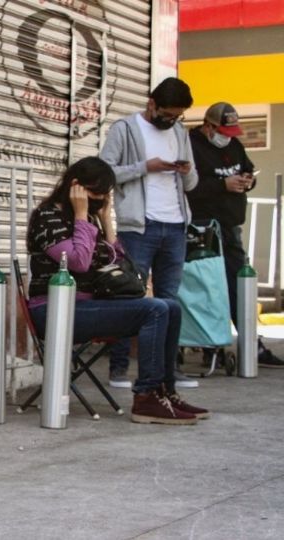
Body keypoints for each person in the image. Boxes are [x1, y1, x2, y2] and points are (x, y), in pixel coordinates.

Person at [27, 157, 210, 425]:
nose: (100, 200)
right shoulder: (47, 217)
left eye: (105, 196)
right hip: (55, 310)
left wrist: (105, 221)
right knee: (155, 310)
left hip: (89, 305)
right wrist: (81, 215)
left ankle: (164, 392)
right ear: (76, 186)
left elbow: (120, 264)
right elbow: (78, 262)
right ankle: (146, 397)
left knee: (171, 307)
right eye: (95, 194)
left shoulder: (90, 218)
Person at [98, 77, 200, 389]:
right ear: (151, 104)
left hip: (175, 226)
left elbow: (192, 184)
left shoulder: (181, 133)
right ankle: (118, 369)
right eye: (167, 114)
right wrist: (146, 166)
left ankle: (167, 371)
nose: (171, 121)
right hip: (139, 227)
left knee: (170, 300)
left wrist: (186, 171)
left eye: (178, 116)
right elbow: (103, 172)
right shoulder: (125, 129)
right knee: (129, 296)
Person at [188, 102, 284, 368]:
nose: (227, 137)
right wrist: (222, 184)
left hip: (230, 227)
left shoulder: (233, 144)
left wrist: (246, 181)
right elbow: (187, 186)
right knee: (208, 288)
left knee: (239, 284)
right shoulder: (191, 145)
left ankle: (253, 344)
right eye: (222, 131)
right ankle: (209, 345)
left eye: (231, 132)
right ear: (208, 126)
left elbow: (247, 169)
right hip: (202, 229)